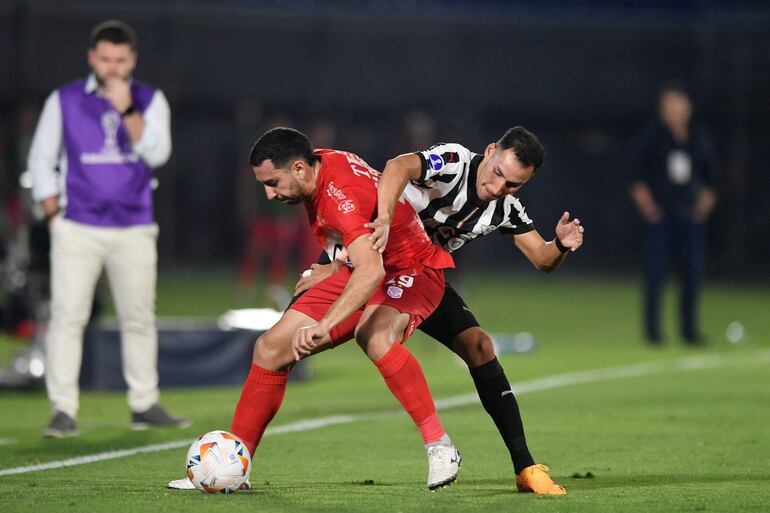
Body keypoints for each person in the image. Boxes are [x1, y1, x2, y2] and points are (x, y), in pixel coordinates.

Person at [296, 126, 584, 495]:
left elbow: (542, 259)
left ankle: (526, 467)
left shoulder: (505, 209)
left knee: (479, 346)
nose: (498, 188)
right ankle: (242, 445)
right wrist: (377, 225)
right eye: (498, 174)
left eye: (513, 185)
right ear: (491, 150)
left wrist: (559, 243)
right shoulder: (453, 162)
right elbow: (397, 168)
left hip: (420, 278)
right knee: (283, 345)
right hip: (365, 257)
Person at [170, 127, 460, 491]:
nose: (269, 193)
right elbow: (361, 250)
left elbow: (373, 269)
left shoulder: (341, 196)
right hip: (361, 265)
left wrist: (326, 324)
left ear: (299, 169)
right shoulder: (317, 162)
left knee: (373, 336)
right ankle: (233, 468)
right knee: (270, 348)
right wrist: (335, 266)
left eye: (273, 183)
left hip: (411, 269)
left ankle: (440, 446)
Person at [27, 20, 187, 437]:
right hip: (77, 226)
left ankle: (144, 403)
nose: (112, 67)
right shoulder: (63, 99)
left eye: (120, 59)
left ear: (132, 59)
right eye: (105, 59)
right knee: (67, 317)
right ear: (92, 58)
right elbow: (41, 158)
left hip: (134, 225)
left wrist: (127, 108)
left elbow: (157, 154)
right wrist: (52, 214)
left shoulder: (149, 100)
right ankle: (63, 409)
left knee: (138, 318)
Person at [629, 82, 718, 345]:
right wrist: (649, 208)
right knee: (656, 273)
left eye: (680, 107)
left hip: (689, 218)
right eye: (671, 107)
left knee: (692, 272)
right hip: (662, 217)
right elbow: (637, 176)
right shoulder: (652, 138)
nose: (676, 112)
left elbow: (712, 179)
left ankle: (689, 331)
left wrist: (703, 208)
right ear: (662, 110)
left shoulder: (699, 138)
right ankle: (653, 332)